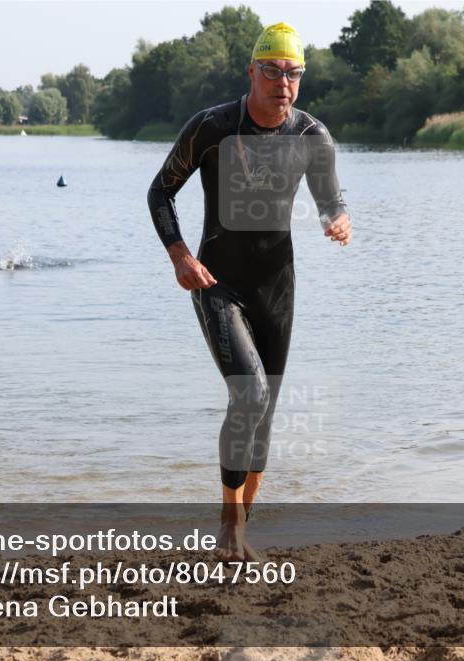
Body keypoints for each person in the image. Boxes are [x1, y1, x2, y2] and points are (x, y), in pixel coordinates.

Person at [147, 22, 351, 561]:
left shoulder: (311, 136)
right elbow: (160, 191)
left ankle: (241, 533)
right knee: (250, 395)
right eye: (272, 70)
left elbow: (332, 197)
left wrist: (339, 219)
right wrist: (180, 256)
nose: (283, 82)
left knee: (265, 414)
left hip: (276, 289)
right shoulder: (212, 127)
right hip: (218, 283)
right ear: (252, 72)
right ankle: (228, 527)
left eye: (293, 73)